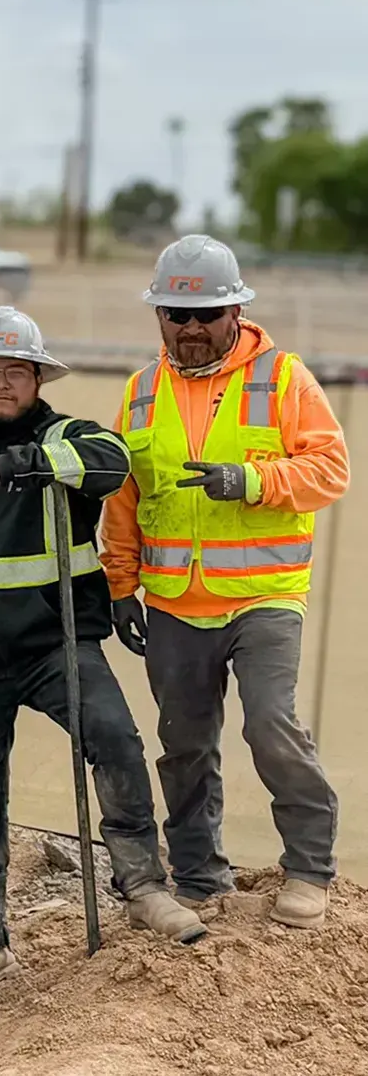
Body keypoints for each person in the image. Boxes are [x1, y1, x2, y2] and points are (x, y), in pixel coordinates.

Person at [0, 307, 205, 998]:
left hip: (53, 642)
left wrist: (16, 465)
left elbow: (112, 463)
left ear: (37, 379)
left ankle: (144, 888)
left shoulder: (67, 438)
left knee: (116, 741)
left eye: (15, 371)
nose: (1, 384)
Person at [102, 236, 350, 929]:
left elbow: (331, 470)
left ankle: (307, 870)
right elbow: (124, 496)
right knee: (183, 742)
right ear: (159, 317)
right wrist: (122, 585)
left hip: (266, 594)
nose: (190, 329)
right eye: (175, 315)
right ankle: (200, 876)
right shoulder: (141, 390)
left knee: (271, 724)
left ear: (234, 310)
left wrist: (254, 480)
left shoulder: (282, 377)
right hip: (176, 599)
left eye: (205, 313)